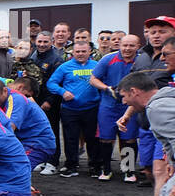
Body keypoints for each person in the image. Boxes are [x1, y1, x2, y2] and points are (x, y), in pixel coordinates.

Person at [126, 18, 175, 196]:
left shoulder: (173, 63)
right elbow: (135, 90)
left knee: (161, 171)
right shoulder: (143, 57)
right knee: (149, 168)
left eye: (162, 31)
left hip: (169, 124)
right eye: (152, 31)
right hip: (147, 123)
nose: (155, 35)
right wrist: (127, 113)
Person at [0, 77, 56, 196]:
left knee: (15, 167)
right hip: (30, 141)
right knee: (10, 167)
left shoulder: (16, 98)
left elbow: (9, 128)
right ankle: (23, 192)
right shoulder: (6, 94)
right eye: (26, 95)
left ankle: (23, 194)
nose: (26, 97)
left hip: (38, 143)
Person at [89, 33, 141, 182]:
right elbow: (93, 79)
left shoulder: (141, 60)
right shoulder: (108, 59)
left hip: (130, 106)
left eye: (131, 45)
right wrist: (107, 88)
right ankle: (106, 169)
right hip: (108, 105)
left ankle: (128, 171)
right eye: (125, 45)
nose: (127, 48)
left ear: (137, 46)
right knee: (105, 138)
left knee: (129, 138)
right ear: (120, 45)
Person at [46, 38, 101, 178]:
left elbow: (104, 81)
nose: (80, 54)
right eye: (77, 52)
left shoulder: (97, 65)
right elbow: (51, 83)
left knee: (92, 138)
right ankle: (71, 165)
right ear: (72, 53)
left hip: (91, 108)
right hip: (70, 109)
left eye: (84, 51)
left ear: (90, 52)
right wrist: (62, 92)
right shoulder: (65, 67)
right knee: (70, 138)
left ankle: (94, 166)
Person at [32, 30, 65, 168]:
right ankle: (42, 159)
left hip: (50, 103)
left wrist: (49, 101)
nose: (42, 44)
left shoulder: (56, 59)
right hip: (35, 101)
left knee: (51, 131)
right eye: (39, 41)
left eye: (45, 42)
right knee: (38, 132)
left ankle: (53, 161)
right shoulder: (33, 56)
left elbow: (58, 82)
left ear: (51, 42)